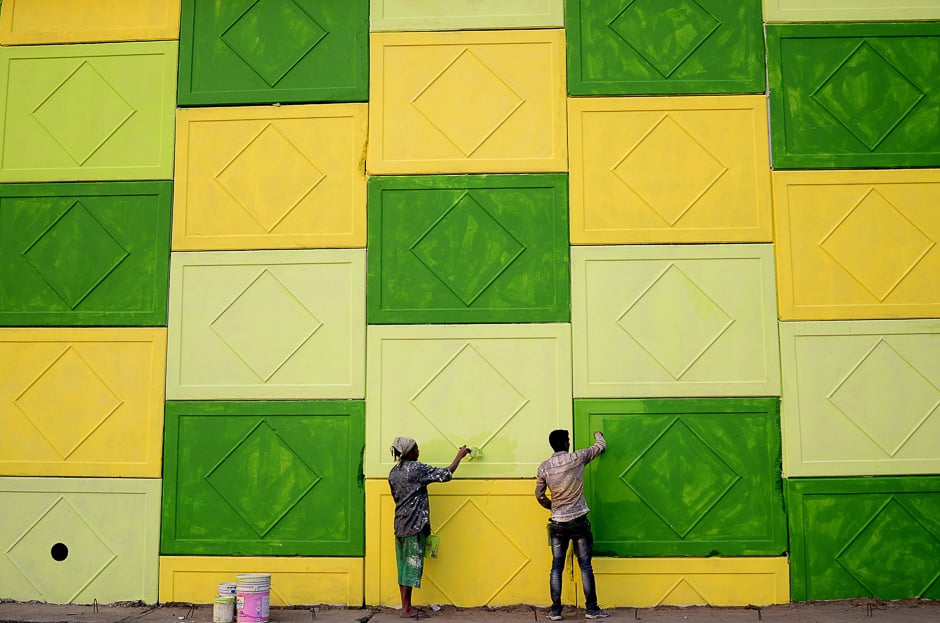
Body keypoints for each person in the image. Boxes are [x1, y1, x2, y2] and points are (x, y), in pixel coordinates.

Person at [388, 436, 471, 619]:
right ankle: (407, 609)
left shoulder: (393, 472)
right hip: (414, 525)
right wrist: (459, 456)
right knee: (411, 566)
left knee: (402, 567)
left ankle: (405, 606)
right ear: (408, 452)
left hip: (400, 524)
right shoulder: (416, 469)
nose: (418, 451)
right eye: (416, 449)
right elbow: (446, 474)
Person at [535, 429, 608, 620]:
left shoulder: (544, 467)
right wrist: (598, 434)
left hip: (558, 523)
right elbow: (600, 447)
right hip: (578, 522)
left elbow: (539, 495)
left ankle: (555, 610)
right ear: (566, 444)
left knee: (556, 567)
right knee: (585, 566)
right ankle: (591, 609)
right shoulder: (577, 458)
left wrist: (552, 506)